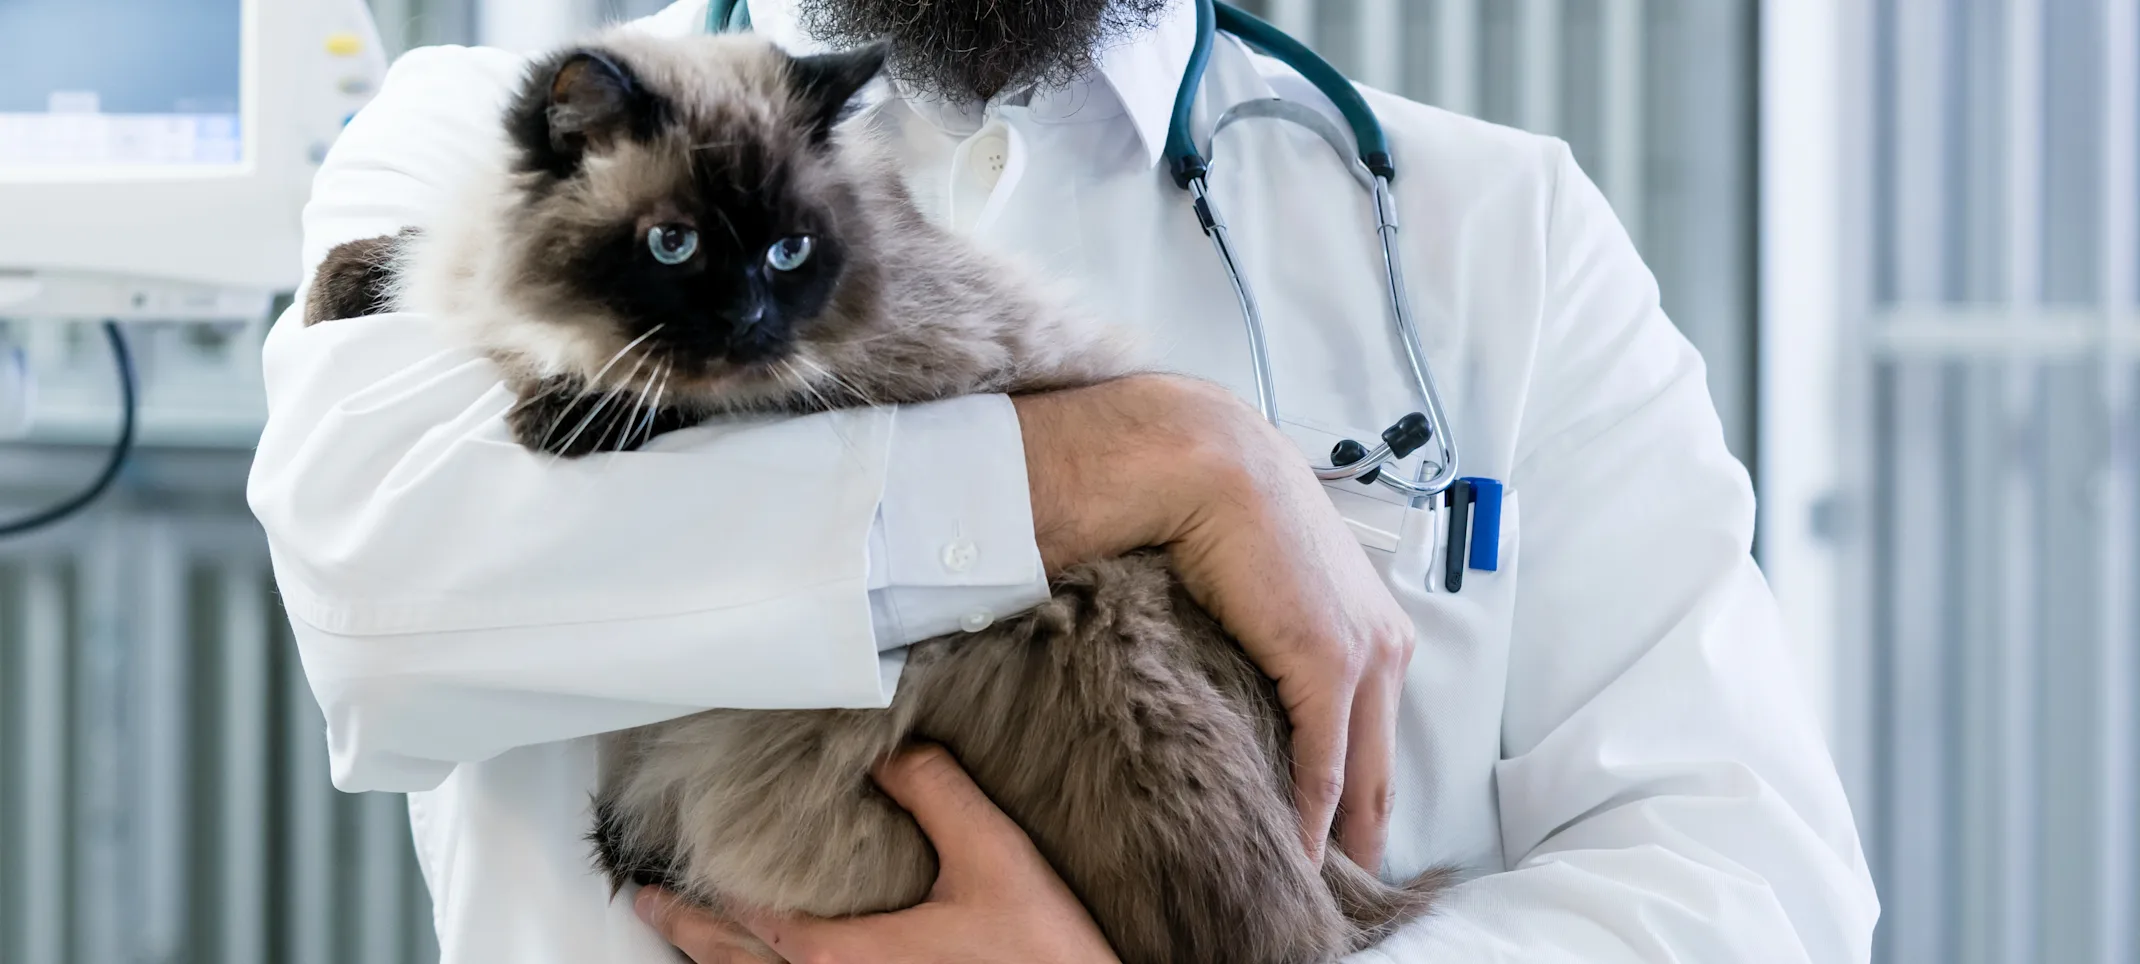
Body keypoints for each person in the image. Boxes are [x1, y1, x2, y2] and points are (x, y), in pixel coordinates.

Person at [246, 0, 1880, 961]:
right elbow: (375, 594)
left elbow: (1749, 881)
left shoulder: (1492, 226)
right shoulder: (478, 129)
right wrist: (1145, 460)